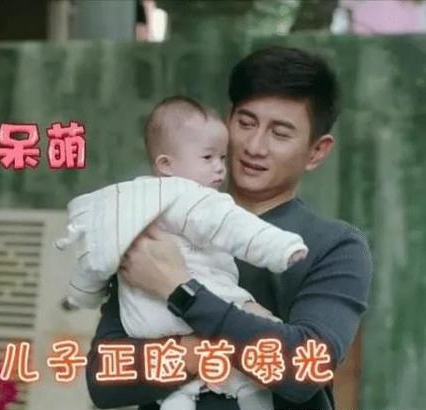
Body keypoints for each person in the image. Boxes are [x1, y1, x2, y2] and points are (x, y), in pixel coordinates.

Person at [85, 46, 373, 410]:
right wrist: (236, 345)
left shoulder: (335, 246)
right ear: (227, 121)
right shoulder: (158, 224)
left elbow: (302, 370)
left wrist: (178, 289)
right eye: (246, 123)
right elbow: (104, 380)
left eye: (280, 133)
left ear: (316, 151)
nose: (254, 146)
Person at [56, 97, 309, 410]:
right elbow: (102, 385)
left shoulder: (129, 213)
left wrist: (82, 295)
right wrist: (281, 248)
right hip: (194, 314)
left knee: (179, 396)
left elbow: (95, 257)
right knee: (257, 355)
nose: (220, 167)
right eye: (208, 157)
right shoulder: (193, 200)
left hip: (146, 326)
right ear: (166, 165)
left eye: (222, 157)